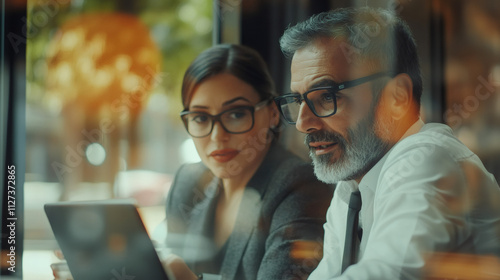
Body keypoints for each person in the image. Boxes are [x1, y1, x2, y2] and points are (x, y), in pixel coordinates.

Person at [274, 7, 500, 280]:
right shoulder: (351, 188)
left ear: (398, 97)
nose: (302, 123)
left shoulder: (427, 160)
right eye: (299, 101)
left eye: (326, 97)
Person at [163, 44, 334, 280]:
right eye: (201, 118)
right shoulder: (188, 183)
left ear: (273, 114)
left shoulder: (300, 187)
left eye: (236, 114)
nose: (217, 136)